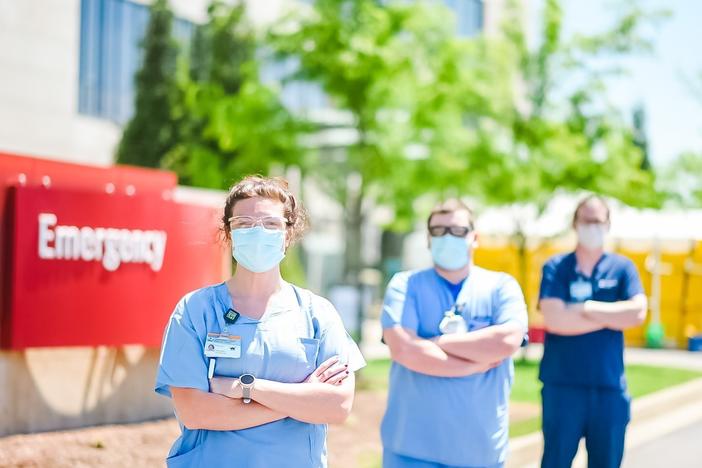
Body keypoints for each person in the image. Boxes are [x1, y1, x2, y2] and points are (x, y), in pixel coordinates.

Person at [155, 175, 366, 468]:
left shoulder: (317, 313)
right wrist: (301, 398)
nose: (257, 232)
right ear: (228, 234)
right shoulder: (195, 310)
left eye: (270, 224)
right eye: (243, 223)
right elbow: (195, 412)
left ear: (288, 234)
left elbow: (338, 406)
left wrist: (248, 388)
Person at [381, 199, 528, 468]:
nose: (447, 237)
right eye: (438, 230)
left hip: (481, 454)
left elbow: (507, 340)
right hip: (411, 452)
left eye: (457, 230)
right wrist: (473, 365)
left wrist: (437, 342)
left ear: (475, 237)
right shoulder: (405, 285)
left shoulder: (501, 286)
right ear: (428, 239)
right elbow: (403, 349)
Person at [538, 195, 647, 468]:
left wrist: (584, 308)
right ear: (575, 223)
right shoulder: (556, 267)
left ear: (608, 224)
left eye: (598, 221)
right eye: (587, 220)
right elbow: (554, 320)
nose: (593, 227)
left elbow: (637, 313)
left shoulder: (622, 268)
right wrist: (612, 316)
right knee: (555, 462)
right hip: (562, 388)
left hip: (609, 389)